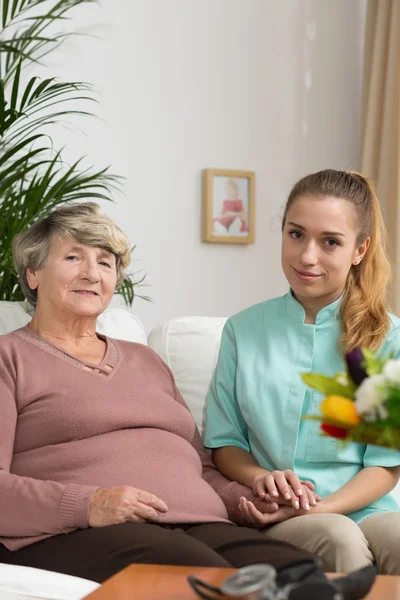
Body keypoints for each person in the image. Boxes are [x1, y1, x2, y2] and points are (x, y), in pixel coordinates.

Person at [0, 202, 319, 584]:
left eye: (105, 263)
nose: (91, 274)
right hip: (78, 531)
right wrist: (88, 505)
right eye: (73, 257)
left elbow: (199, 467)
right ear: (33, 273)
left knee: (302, 573)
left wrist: (245, 500)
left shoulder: (146, 359)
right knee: (207, 579)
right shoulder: (10, 357)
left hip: (198, 523)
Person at [204, 169, 400, 575]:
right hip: (280, 509)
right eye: (296, 234)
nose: (307, 256)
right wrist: (262, 478)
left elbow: (386, 463)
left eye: (330, 242)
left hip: (369, 505)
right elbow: (225, 443)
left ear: (359, 250)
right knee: (339, 540)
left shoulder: (389, 337)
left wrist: (323, 505)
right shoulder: (243, 330)